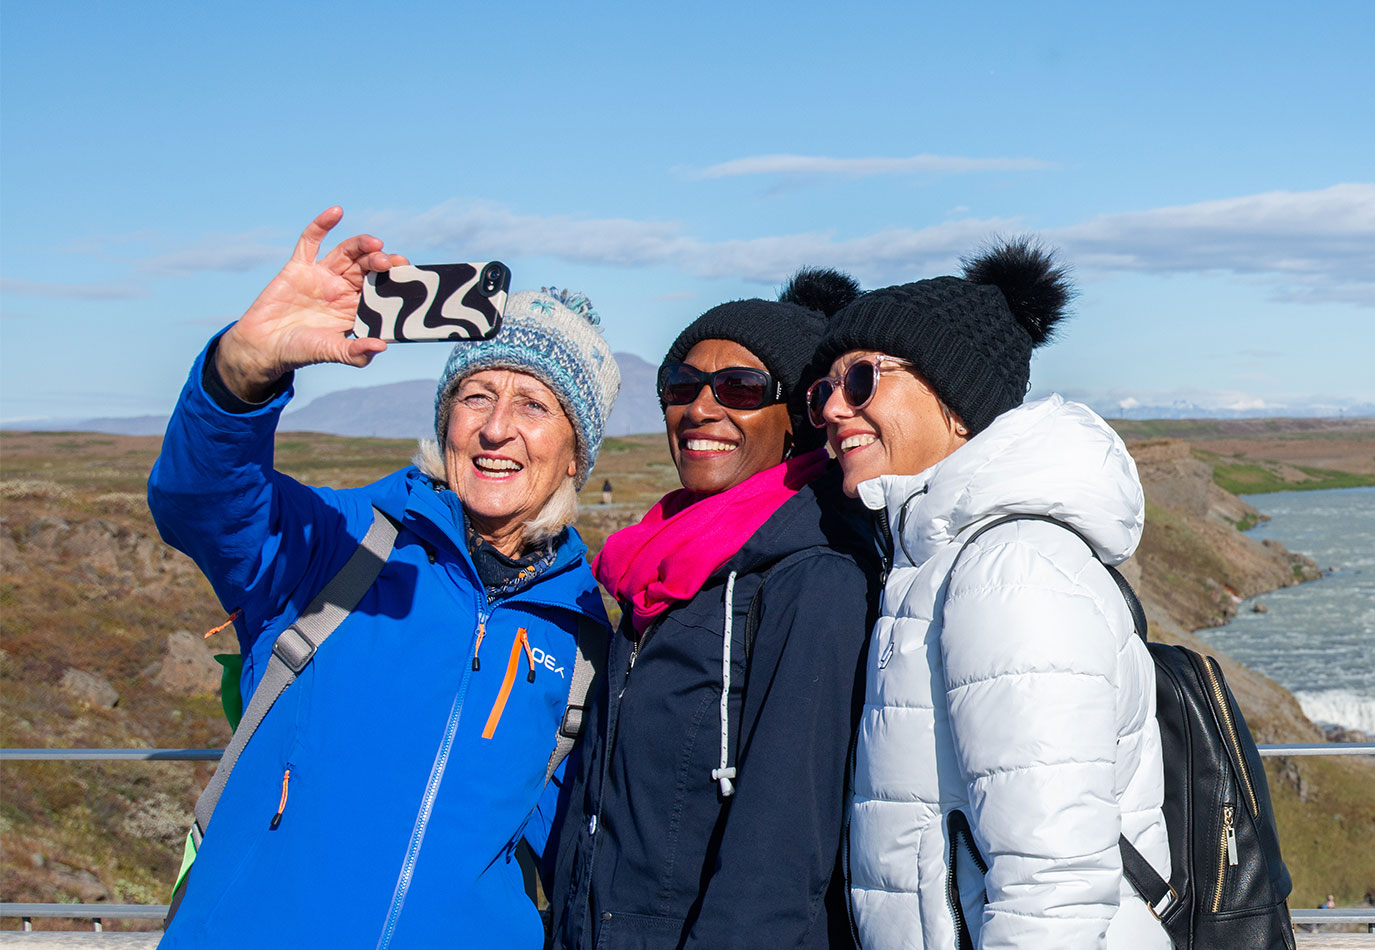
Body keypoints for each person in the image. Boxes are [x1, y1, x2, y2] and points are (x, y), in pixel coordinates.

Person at [148, 208, 619, 948]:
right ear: (445, 421)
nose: (497, 428)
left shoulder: (585, 633)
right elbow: (196, 501)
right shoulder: (340, 543)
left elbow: (583, 855)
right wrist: (244, 366)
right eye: (475, 395)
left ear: (574, 456)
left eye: (534, 404)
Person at [825, 241, 1171, 949]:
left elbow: (1056, 887)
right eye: (822, 389)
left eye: (861, 379)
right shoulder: (935, 561)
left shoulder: (1011, 570)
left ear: (957, 401)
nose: (832, 408)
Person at [548, 273, 881, 949]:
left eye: (740, 388)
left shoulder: (813, 578)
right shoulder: (662, 570)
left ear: (799, 418)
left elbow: (781, 864)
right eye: (681, 386)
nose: (700, 408)